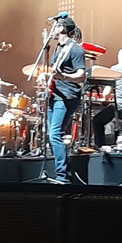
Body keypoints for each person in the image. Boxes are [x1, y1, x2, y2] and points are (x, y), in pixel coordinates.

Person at [42, 17, 86, 183]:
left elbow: (81, 75)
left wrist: (64, 77)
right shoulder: (58, 48)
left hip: (67, 96)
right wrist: (46, 76)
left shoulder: (75, 50)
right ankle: (63, 172)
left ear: (62, 29)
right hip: (55, 94)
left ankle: (63, 176)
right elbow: (55, 71)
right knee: (52, 134)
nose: (52, 30)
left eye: (55, 26)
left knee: (55, 134)